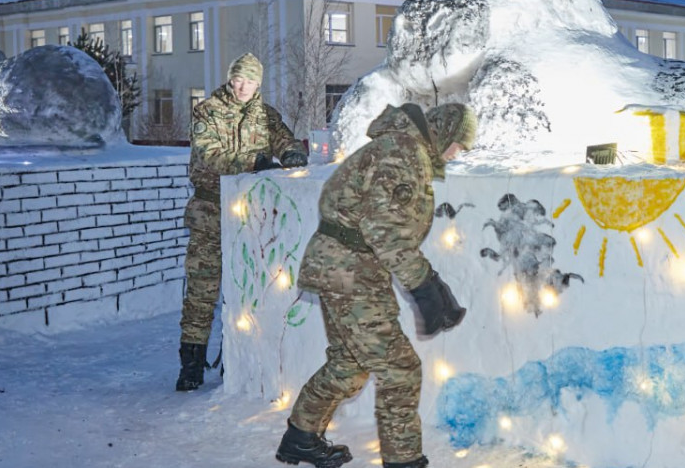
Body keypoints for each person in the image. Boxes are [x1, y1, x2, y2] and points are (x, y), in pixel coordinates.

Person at [276, 103, 476, 468]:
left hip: (343, 266)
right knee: (400, 368)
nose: (456, 154)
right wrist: (424, 286)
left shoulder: (402, 149)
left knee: (349, 364)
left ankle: (301, 438)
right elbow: (385, 231)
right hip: (351, 271)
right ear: (445, 132)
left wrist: (429, 283)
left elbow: (386, 230)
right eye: (458, 145)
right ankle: (403, 461)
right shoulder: (402, 153)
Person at [177, 52, 307, 392]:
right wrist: (255, 161)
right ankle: (191, 365)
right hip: (211, 212)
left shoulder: (265, 115)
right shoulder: (208, 111)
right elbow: (211, 154)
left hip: (252, 218)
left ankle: (237, 361)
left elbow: (286, 140)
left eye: (249, 80)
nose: (241, 86)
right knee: (203, 290)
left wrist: (293, 154)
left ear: (258, 82)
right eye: (237, 79)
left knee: (249, 292)